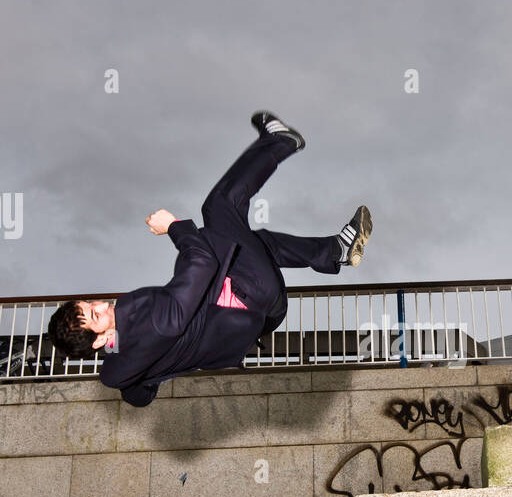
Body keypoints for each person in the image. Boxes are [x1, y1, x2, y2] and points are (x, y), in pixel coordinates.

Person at [47, 111, 372, 406]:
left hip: (259, 318)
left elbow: (140, 395)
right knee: (218, 207)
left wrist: (124, 345)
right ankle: (281, 142)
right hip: (252, 293)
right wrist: (173, 227)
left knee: (252, 243)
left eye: (91, 303)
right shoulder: (153, 319)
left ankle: (336, 251)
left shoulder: (117, 369)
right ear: (98, 339)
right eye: (96, 315)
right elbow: (202, 262)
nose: (102, 305)